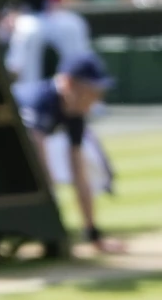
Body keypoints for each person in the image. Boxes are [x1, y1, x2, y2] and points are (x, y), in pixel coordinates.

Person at [13, 54, 125, 255]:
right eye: (89, 91)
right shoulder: (39, 100)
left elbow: (79, 173)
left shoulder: (75, 113)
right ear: (68, 83)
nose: (95, 99)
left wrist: (93, 234)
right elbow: (40, 164)